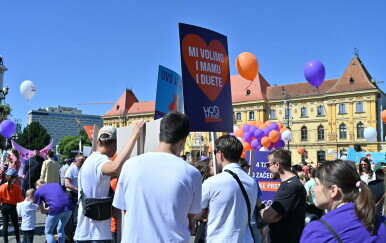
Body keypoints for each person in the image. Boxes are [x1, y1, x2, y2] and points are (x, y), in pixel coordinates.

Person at [113, 112, 201, 242]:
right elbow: (191, 214)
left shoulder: (129, 165)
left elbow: (124, 209)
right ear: (183, 141)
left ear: (159, 135)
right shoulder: (192, 173)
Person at [74, 121, 144, 242]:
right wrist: (134, 136)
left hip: (86, 233)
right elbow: (114, 168)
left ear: (97, 142)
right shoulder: (99, 160)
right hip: (95, 234)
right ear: (116, 144)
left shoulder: (90, 159)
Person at [300, 160, 386, 242]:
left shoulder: (317, 231)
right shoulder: (381, 222)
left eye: (317, 184)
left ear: (333, 190)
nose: (314, 189)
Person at [200, 135, 257, 243]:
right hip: (245, 239)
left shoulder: (212, 182)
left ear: (220, 154)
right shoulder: (252, 182)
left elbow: (196, 211)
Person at [260, 150, 306, 243]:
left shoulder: (291, 186)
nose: (267, 168)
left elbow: (270, 216)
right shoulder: (288, 184)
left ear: (277, 165)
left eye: (268, 165)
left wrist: (261, 210)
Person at [239, 158, 263, 243]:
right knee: (254, 230)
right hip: (250, 213)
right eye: (248, 167)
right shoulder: (253, 181)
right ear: (245, 167)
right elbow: (258, 202)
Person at [0, 168, 24, 243]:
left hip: (4, 206)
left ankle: (5, 241)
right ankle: (18, 240)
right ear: (15, 178)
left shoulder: (1, 187)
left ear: (7, 176)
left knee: (5, 224)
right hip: (13, 206)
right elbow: (19, 200)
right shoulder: (17, 188)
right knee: (15, 224)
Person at [64, 154, 85, 232]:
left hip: (79, 194)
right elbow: (67, 184)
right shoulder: (71, 169)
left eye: (84, 160)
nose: (83, 162)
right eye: (81, 161)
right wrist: (77, 189)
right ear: (76, 160)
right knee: (72, 214)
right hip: (72, 195)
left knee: (79, 213)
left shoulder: (83, 169)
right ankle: (71, 232)